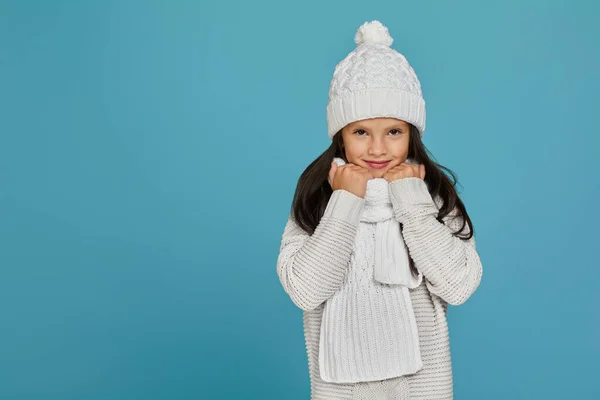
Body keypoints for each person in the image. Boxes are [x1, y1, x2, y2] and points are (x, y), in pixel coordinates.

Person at [276, 20, 483, 400]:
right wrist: (345, 203)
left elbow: (459, 286)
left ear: (412, 134)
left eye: (393, 132)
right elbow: (306, 291)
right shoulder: (318, 197)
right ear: (340, 133)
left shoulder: (430, 195)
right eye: (360, 132)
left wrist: (412, 202)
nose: (377, 149)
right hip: (340, 388)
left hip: (422, 387)